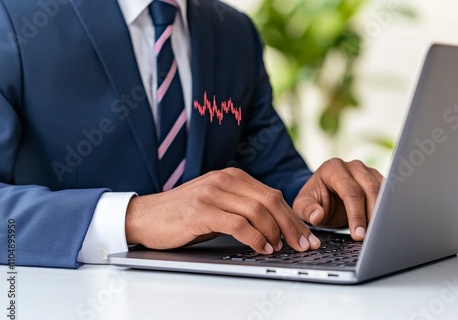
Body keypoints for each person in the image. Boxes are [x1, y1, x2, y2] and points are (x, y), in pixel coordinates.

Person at [0, 0, 383, 268]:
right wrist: (133, 217)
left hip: (214, 305)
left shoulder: (233, 31)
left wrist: (315, 199)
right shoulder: (13, 17)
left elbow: (272, 168)